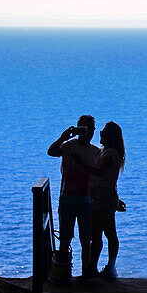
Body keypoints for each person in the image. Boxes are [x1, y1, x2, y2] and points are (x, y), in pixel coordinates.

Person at [47, 116, 100, 276]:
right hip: (67, 200)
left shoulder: (96, 152)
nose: (87, 132)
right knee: (65, 238)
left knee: (86, 240)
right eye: (83, 128)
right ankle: (63, 273)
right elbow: (51, 152)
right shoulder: (68, 146)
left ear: (94, 131)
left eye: (90, 128)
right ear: (77, 129)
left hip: (86, 201)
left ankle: (86, 273)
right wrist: (63, 137)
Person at [73, 121, 125, 279]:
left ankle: (92, 269)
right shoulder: (110, 152)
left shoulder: (110, 153)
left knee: (96, 233)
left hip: (102, 196)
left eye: (103, 132)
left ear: (109, 136)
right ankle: (109, 267)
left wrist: (80, 162)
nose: (100, 134)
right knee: (109, 233)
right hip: (107, 194)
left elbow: (100, 173)